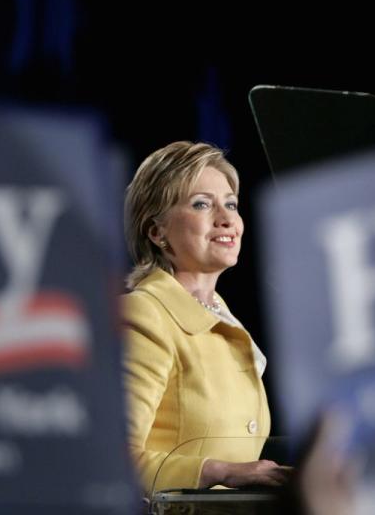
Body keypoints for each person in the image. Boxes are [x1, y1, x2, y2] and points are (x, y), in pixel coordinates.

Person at [121, 141, 293, 496]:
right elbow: (113, 461)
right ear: (157, 231)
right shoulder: (145, 315)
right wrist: (221, 471)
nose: (227, 218)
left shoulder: (226, 323)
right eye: (202, 204)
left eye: (231, 204)